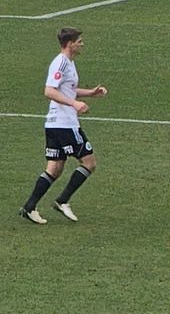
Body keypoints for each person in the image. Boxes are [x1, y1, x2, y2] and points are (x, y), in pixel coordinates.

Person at [19, 27, 108, 225]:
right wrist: (74, 104)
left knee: (55, 168)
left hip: (54, 124)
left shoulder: (69, 63)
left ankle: (29, 207)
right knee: (89, 163)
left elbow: (69, 89)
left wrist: (89, 93)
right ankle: (63, 200)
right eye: (79, 41)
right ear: (70, 44)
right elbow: (49, 91)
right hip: (64, 125)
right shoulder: (60, 63)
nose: (82, 44)